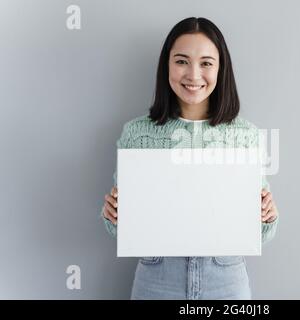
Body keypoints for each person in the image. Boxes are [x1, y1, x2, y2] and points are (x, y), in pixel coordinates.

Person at [101, 17, 279, 300]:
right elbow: (119, 228)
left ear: (221, 69)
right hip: (157, 276)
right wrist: (114, 214)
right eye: (182, 61)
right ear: (166, 66)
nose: (194, 75)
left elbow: (259, 232)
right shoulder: (137, 133)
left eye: (206, 63)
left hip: (225, 278)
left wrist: (266, 215)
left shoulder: (246, 135)